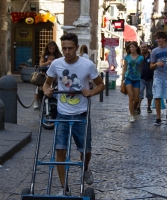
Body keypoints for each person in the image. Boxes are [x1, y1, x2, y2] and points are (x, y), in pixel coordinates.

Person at [43, 33, 105, 195]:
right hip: (62, 115)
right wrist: (47, 90)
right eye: (64, 48)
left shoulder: (87, 65)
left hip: (81, 114)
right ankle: (65, 189)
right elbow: (47, 83)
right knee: (60, 152)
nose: (67, 51)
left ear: (76, 48)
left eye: (70, 48)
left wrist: (91, 92)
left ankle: (85, 168)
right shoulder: (56, 64)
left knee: (85, 150)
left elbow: (100, 85)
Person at [34, 41, 62, 109]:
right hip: (45, 72)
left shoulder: (58, 55)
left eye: (53, 49)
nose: (52, 50)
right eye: (50, 49)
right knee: (39, 86)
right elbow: (41, 64)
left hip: (55, 74)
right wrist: (47, 63)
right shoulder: (45, 55)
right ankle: (36, 101)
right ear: (48, 48)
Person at [121, 41, 144, 123]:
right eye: (130, 47)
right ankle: (131, 115)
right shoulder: (127, 57)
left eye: (133, 47)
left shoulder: (141, 58)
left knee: (136, 99)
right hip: (128, 78)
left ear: (136, 48)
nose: (131, 48)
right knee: (131, 97)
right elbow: (124, 68)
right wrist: (122, 79)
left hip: (137, 79)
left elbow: (141, 68)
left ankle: (134, 110)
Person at [136, 43, 153, 114]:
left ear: (147, 48)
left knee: (149, 93)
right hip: (141, 78)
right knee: (140, 92)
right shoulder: (139, 57)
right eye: (142, 47)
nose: (143, 48)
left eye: (144, 47)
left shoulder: (151, 56)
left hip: (150, 78)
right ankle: (138, 107)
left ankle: (149, 107)